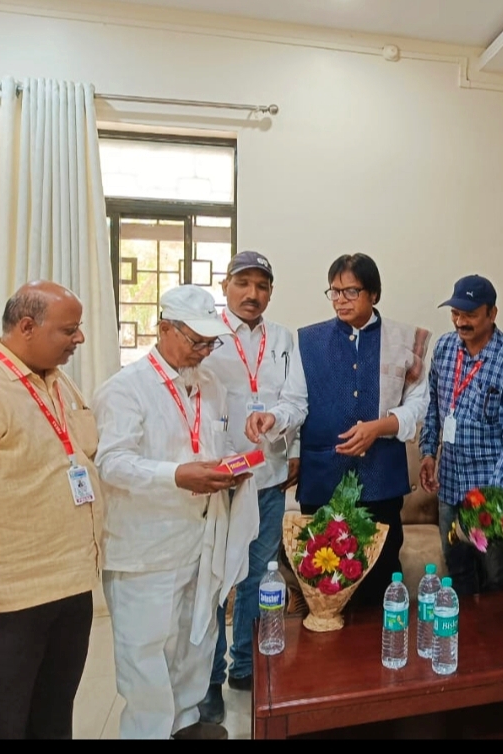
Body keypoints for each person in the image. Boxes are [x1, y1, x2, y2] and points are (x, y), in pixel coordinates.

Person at [93, 285, 248, 740]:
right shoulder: (126, 389)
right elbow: (111, 463)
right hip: (146, 549)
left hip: (199, 542)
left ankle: (185, 726)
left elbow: (218, 442)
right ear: (164, 329)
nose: (204, 351)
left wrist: (232, 466)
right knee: (146, 658)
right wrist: (176, 475)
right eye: (196, 341)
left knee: (194, 646)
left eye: (210, 343)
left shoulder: (210, 385)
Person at [247, 253, 431, 608]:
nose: (341, 300)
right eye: (334, 291)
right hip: (324, 480)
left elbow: (418, 404)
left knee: (380, 575)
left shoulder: (406, 341)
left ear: (373, 294)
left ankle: (379, 643)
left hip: (381, 481)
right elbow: (295, 402)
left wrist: (380, 427)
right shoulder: (310, 341)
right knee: (324, 582)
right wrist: (274, 418)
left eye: (351, 291)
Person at [0, 281, 102, 739]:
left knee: (53, 715)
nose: (79, 338)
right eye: (69, 330)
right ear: (26, 327)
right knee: (1, 722)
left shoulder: (58, 380)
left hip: (71, 587)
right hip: (11, 601)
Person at [198, 252, 298, 723]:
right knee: (217, 580)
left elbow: (296, 400)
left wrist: (277, 419)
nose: (252, 294)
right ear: (225, 286)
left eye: (262, 285)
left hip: (269, 478)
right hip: (220, 481)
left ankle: (245, 666)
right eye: (243, 283)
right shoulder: (207, 336)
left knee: (258, 577)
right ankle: (209, 680)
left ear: (271, 292)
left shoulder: (283, 338)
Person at [419, 275, 503, 595]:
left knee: (495, 578)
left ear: (492, 314)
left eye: (470, 314)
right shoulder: (444, 348)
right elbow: (433, 405)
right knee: (457, 573)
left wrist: (490, 498)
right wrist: (427, 452)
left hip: (489, 492)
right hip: (450, 486)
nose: (460, 322)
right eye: (455, 313)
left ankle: (497, 632)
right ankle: (460, 627)